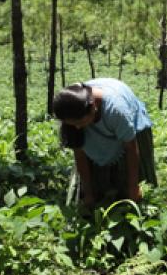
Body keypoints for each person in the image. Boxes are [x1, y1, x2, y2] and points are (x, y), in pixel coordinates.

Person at [53, 78, 156, 207]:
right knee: (95, 189)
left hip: (122, 115)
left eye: (80, 123)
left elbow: (131, 148)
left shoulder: (117, 111)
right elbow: (79, 154)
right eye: (73, 124)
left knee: (128, 188)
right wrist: (88, 193)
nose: (78, 128)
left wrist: (133, 188)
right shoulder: (71, 106)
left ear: (93, 108)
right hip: (97, 114)